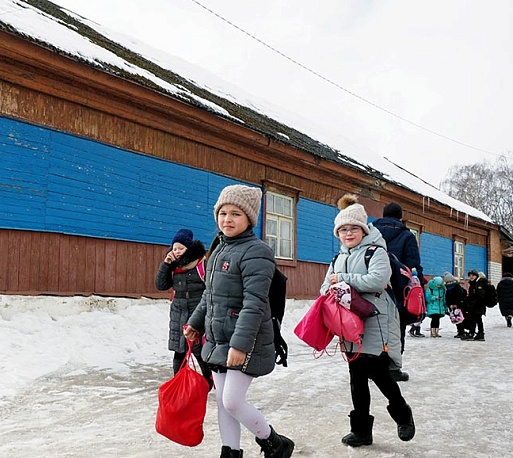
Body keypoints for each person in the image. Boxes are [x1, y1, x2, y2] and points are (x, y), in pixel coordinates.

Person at [184, 184, 294, 458]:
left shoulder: (257, 252)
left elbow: (255, 303)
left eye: (235, 214)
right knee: (223, 402)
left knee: (232, 401)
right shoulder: (218, 249)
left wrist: (240, 345)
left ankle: (275, 442)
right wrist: (195, 323)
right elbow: (210, 295)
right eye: (223, 213)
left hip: (246, 341)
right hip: (219, 339)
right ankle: (230, 451)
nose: (227, 219)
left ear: (249, 219)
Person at [321, 194, 415, 448]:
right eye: (343, 229)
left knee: (380, 373)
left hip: (376, 319)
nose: (348, 233)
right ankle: (361, 431)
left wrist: (343, 279)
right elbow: (324, 287)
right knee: (357, 376)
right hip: (348, 322)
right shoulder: (337, 258)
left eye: (353, 228)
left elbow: (377, 280)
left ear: (363, 229)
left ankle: (403, 415)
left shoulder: (376, 252)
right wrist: (332, 287)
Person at [372, 202, 425, 381]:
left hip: (374, 286)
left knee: (374, 326)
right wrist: (418, 284)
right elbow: (413, 265)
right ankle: (393, 369)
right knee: (396, 328)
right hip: (399, 289)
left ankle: (373, 367)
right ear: (400, 217)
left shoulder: (370, 232)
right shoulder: (406, 235)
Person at [154, 228, 212, 388]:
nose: (177, 252)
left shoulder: (201, 264)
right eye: (175, 248)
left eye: (181, 248)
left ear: (189, 248)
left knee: (198, 349)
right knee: (179, 350)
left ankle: (208, 381)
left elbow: (211, 288)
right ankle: (179, 384)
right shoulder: (173, 265)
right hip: (178, 312)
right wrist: (166, 264)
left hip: (197, 310)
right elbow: (161, 285)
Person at [462, 270, 487, 341]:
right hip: (475, 305)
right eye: (470, 276)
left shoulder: (478, 284)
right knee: (478, 320)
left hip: (478, 306)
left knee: (473, 319)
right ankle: (480, 334)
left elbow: (480, 296)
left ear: (476, 276)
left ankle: (471, 333)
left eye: (473, 275)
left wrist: (473, 303)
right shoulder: (473, 284)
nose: (471, 277)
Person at [443, 272, 468, 338]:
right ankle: (459, 331)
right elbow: (447, 298)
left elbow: (460, 296)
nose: (449, 283)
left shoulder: (457, 287)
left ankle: (462, 331)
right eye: (448, 282)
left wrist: (456, 304)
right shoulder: (448, 289)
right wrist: (450, 305)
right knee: (455, 319)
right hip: (452, 307)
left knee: (460, 318)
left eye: (450, 282)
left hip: (459, 306)